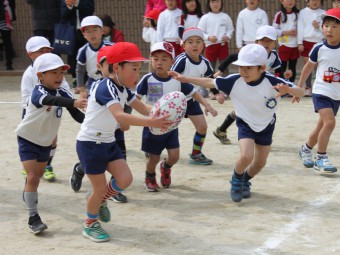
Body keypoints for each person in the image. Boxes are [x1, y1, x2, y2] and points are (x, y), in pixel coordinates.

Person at [169, 44, 303, 202]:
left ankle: (245, 180)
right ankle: (236, 179)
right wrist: (184, 78)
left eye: (248, 68)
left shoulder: (273, 81)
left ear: (262, 68)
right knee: (246, 156)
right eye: (240, 67)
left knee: (260, 163)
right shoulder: (234, 81)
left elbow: (300, 91)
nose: (243, 72)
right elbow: (209, 82)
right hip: (245, 123)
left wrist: (290, 90)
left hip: (266, 125)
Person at [76, 42, 172, 242]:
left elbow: (142, 107)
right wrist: (151, 122)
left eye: (139, 69)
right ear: (117, 67)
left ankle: (99, 200)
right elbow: (120, 116)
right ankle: (90, 224)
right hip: (90, 144)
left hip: (108, 142)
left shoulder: (123, 89)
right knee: (99, 188)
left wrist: (163, 115)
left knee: (125, 179)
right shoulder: (106, 87)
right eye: (134, 69)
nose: (137, 74)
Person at [16, 53, 87, 234]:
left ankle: (28, 191)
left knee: (36, 177)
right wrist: (74, 101)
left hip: (45, 142)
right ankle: (33, 217)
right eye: (53, 73)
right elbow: (52, 100)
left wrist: (94, 121)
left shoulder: (63, 92)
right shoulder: (38, 92)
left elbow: (78, 116)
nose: (58, 77)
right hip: (27, 139)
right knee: (33, 177)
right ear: (40, 76)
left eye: (61, 73)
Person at [136, 41, 217, 191]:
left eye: (164, 59)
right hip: (153, 126)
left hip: (171, 126)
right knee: (153, 158)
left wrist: (207, 105)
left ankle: (166, 168)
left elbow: (194, 92)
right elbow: (134, 100)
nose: (159, 62)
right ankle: (150, 175)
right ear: (151, 60)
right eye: (156, 59)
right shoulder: (147, 79)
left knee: (174, 156)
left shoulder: (177, 79)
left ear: (172, 62)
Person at [213, 25, 293, 145]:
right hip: (245, 82)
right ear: (256, 41)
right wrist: (219, 71)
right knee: (244, 111)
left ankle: (222, 130)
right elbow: (232, 57)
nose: (266, 43)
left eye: (270, 40)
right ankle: (228, 131)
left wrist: (282, 78)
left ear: (275, 43)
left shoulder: (274, 56)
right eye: (263, 40)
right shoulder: (249, 52)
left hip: (259, 85)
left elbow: (278, 73)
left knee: (246, 110)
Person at [70, 46, 129, 204]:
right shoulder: (102, 86)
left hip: (113, 131)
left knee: (121, 157)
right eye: (107, 63)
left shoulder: (122, 84)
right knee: (95, 165)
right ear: (99, 67)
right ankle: (80, 169)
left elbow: (127, 101)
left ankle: (111, 192)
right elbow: (117, 110)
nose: (112, 66)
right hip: (95, 136)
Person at [20, 36, 72, 182]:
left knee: (52, 139)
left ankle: (48, 165)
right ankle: (28, 165)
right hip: (33, 113)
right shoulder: (29, 74)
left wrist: (72, 103)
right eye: (41, 51)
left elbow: (65, 91)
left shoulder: (56, 71)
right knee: (30, 139)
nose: (45, 54)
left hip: (52, 111)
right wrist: (41, 105)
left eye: (48, 50)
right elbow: (26, 99)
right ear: (30, 54)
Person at [296, 8, 340, 174]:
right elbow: (307, 68)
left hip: (337, 95)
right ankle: (320, 158)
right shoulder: (319, 48)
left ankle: (306, 149)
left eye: (335, 26)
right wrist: (299, 86)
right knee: (330, 123)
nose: (329, 30)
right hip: (321, 91)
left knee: (321, 125)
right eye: (326, 25)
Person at [171, 27, 218, 164]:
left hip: (191, 100)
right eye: (190, 42)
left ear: (204, 45)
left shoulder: (205, 63)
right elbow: (172, 78)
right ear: (183, 45)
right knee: (165, 128)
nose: (195, 45)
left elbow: (210, 80)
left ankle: (196, 154)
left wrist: (217, 93)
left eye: (198, 41)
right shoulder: (181, 60)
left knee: (202, 127)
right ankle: (152, 148)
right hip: (174, 101)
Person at [61, 0, 94, 90]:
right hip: (71, 31)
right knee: (72, 55)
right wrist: (69, 6)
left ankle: (86, 78)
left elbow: (90, 9)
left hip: (85, 31)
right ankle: (75, 78)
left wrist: (77, 3)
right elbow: (63, 15)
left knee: (87, 54)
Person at [76, 15, 112, 97]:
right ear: (84, 34)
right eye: (88, 31)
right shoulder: (83, 51)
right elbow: (80, 70)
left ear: (102, 31)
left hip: (111, 80)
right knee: (93, 103)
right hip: (93, 81)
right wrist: (81, 88)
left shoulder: (111, 47)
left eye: (95, 30)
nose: (92, 34)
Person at [297, 0, 325, 97]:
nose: (315, 2)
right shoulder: (303, 12)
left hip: (319, 41)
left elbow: (326, 29)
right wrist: (299, 42)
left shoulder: (323, 13)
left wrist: (319, 27)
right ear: (308, 2)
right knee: (308, 64)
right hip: (307, 41)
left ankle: (319, 86)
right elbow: (300, 27)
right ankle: (308, 87)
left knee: (318, 65)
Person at [197, 0, 234, 71]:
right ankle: (210, 81)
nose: (215, 4)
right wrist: (208, 37)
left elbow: (230, 29)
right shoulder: (205, 18)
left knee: (225, 68)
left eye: (217, 2)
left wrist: (228, 36)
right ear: (209, 4)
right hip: (210, 46)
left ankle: (225, 81)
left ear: (221, 3)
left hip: (223, 45)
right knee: (210, 68)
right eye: (212, 2)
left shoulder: (225, 17)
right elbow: (200, 32)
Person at [273, 0, 299, 82]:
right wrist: (285, 32)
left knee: (292, 68)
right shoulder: (279, 15)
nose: (290, 1)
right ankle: (280, 84)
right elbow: (274, 29)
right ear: (282, 1)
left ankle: (291, 85)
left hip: (295, 45)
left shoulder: (298, 14)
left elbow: (303, 27)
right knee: (281, 67)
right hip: (284, 45)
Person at [0, 0, 15, 70]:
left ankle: (9, 63)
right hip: (6, 21)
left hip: (5, 21)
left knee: (7, 43)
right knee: (7, 43)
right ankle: (9, 64)